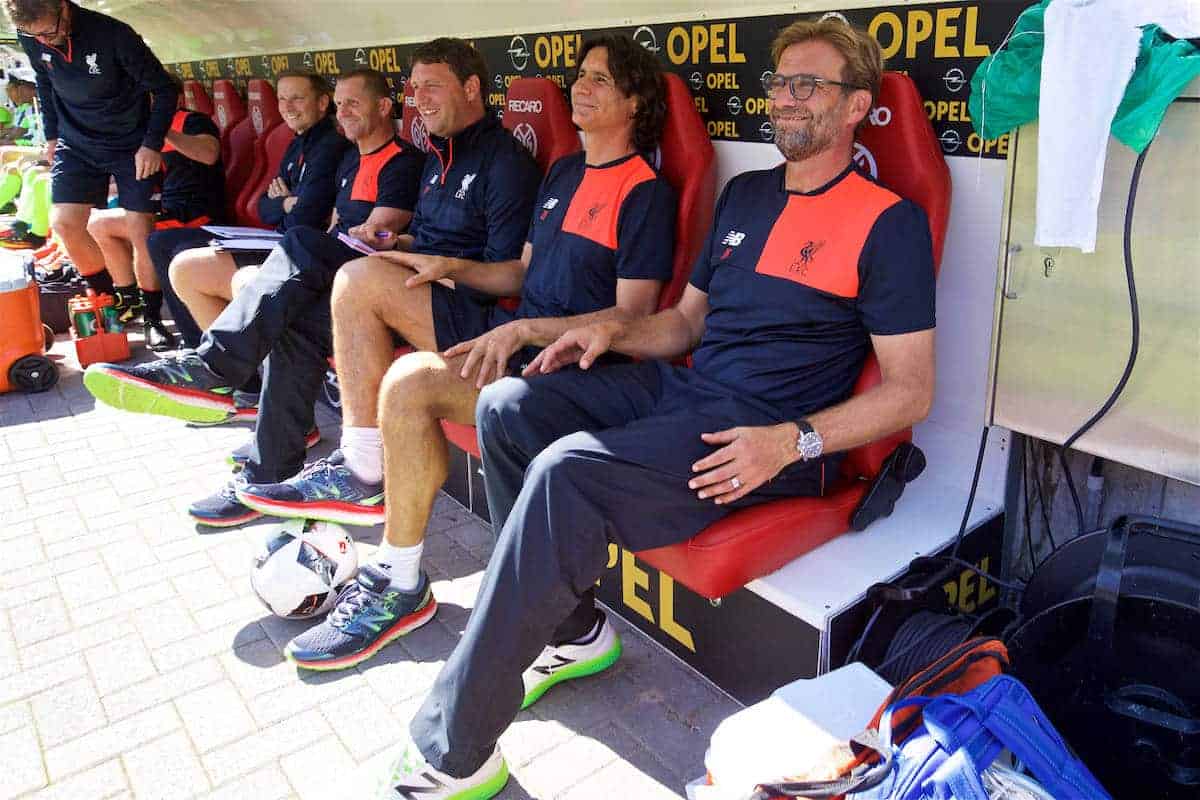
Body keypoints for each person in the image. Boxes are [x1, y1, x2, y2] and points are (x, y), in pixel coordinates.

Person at [374, 18, 938, 799]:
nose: (785, 99)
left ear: (856, 109)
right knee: (509, 405)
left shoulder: (889, 221)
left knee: (569, 472)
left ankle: (453, 748)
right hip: (689, 388)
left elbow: (912, 390)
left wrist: (793, 442)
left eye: (808, 85)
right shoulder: (745, 195)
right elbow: (684, 325)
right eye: (779, 84)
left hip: (764, 432)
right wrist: (602, 331)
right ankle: (567, 632)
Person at [246, 34, 677, 673]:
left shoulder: (646, 190)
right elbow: (517, 275)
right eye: (579, 76)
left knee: (410, 373)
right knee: (408, 380)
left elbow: (632, 316)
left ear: (636, 103)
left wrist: (529, 331)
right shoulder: (562, 172)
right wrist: (448, 265)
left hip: (582, 374)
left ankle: (526, 610)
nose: (579, 88)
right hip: (520, 350)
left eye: (599, 81)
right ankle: (398, 580)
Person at [83, 67, 425, 528]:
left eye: (352, 103)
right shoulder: (346, 158)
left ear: (384, 107)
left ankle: (212, 368)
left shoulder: (403, 159)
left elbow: (380, 227)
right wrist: (307, 219)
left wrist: (371, 232)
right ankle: (265, 478)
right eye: (339, 103)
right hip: (336, 274)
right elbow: (280, 208)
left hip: (373, 279)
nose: (342, 113)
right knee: (291, 320)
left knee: (301, 241)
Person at [147, 69, 348, 350]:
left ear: (323, 103)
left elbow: (306, 215)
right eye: (282, 99)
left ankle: (203, 350)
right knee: (160, 241)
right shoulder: (297, 142)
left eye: (298, 99)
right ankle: (198, 345)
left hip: (296, 250)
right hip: (277, 237)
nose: (288, 107)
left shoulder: (330, 146)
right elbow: (264, 207)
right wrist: (286, 202)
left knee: (179, 257)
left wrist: (287, 204)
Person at [5, 0, 178, 284]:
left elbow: (164, 90)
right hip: (77, 141)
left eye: (49, 32)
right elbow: (45, 84)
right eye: (34, 35)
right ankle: (109, 298)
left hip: (129, 141)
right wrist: (51, 136)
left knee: (139, 229)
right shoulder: (32, 37)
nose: (44, 41)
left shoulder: (114, 35)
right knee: (64, 223)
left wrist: (151, 144)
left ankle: (151, 313)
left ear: (62, 7)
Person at [84, 78, 225, 349]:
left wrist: (161, 130)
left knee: (137, 229)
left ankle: (152, 318)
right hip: (164, 206)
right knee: (98, 223)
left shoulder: (192, 121)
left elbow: (209, 154)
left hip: (195, 214)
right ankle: (129, 299)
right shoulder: (137, 129)